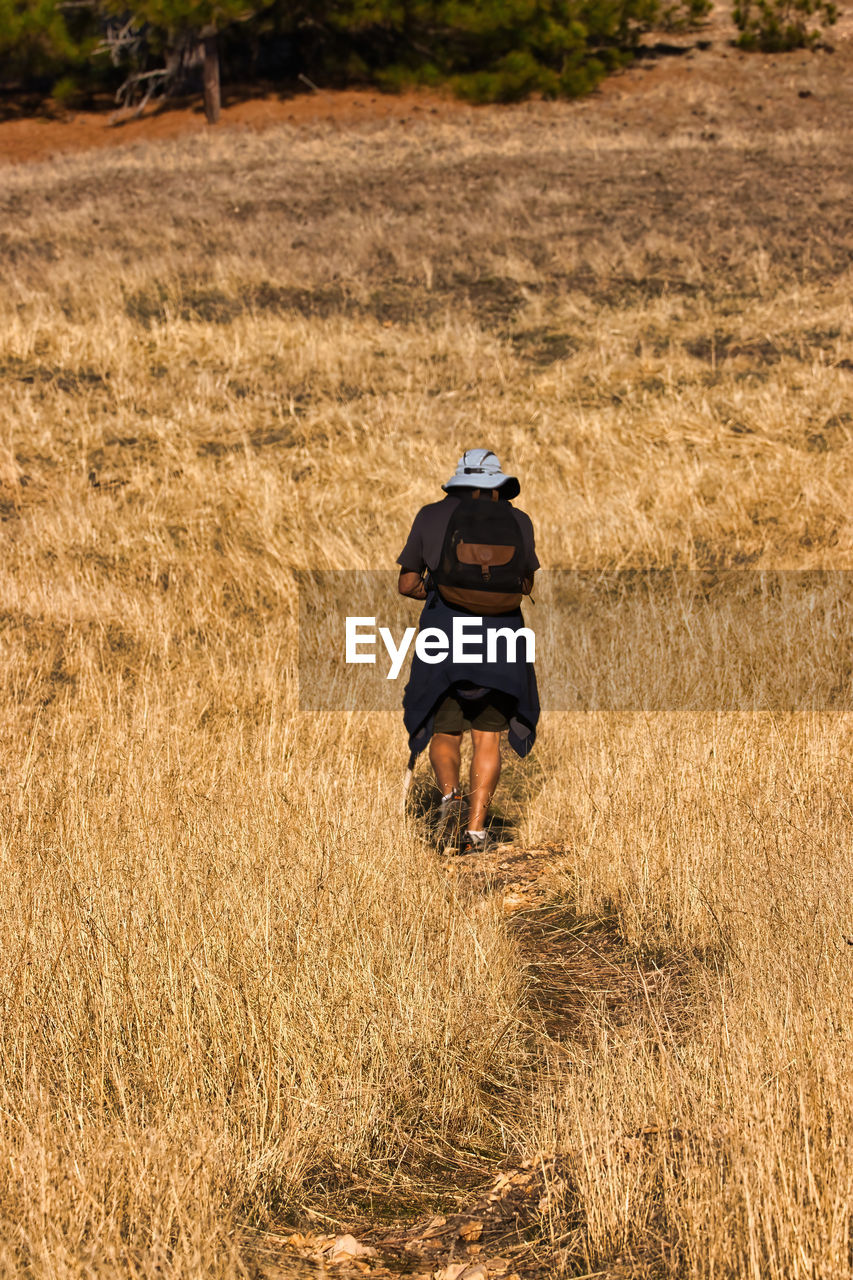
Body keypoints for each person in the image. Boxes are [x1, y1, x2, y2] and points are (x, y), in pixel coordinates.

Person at [397, 449, 540, 854]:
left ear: (458, 481)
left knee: (445, 731)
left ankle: (450, 798)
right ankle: (476, 832)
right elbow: (525, 586)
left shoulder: (430, 516)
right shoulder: (519, 521)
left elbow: (407, 584)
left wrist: (440, 592)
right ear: (497, 486)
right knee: (488, 738)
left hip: (444, 639)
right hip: (501, 643)